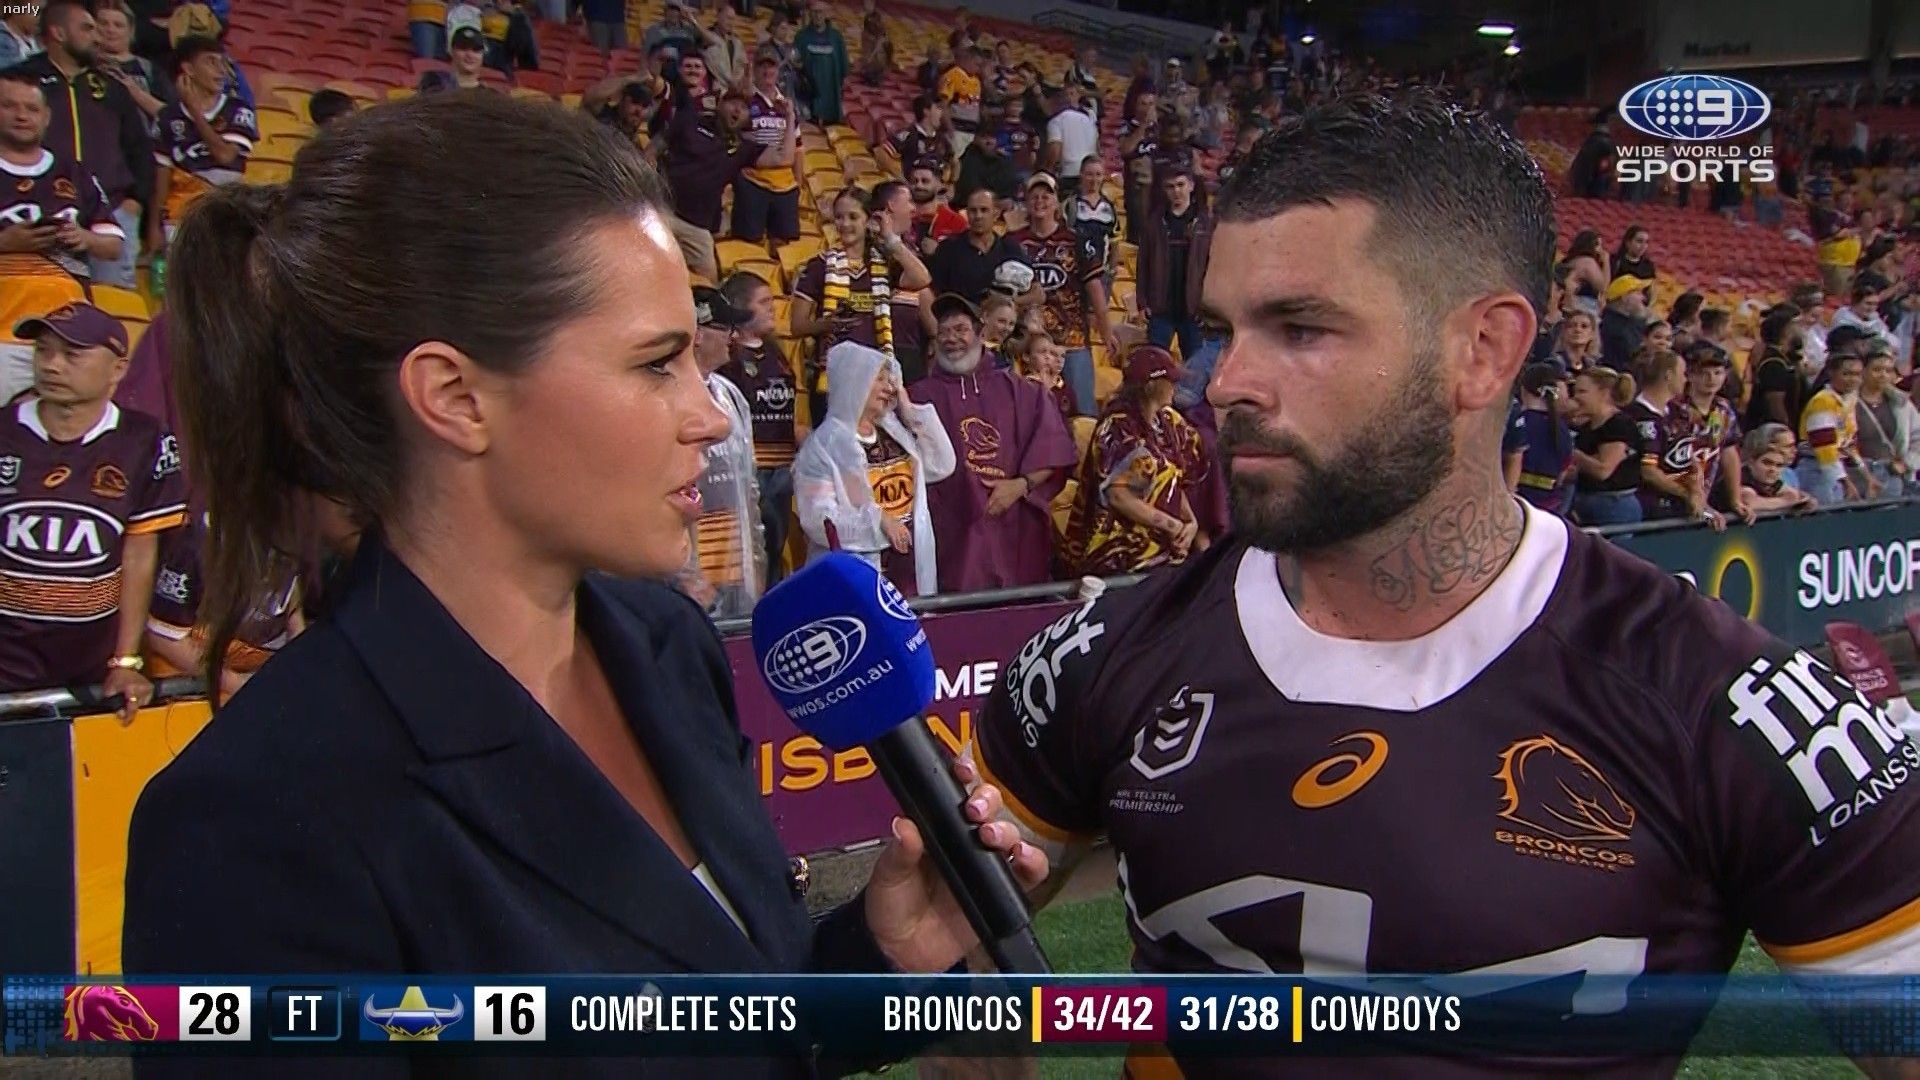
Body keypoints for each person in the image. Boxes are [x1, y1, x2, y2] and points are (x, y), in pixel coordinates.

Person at [972, 98, 1920, 1078]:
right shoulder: (1101, 654)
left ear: (1484, 351)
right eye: (1224, 328)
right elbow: (948, 957)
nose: (1225, 382)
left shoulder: (1723, 702)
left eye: (1300, 327)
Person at [123, 96, 1042, 1019]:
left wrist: (879, 959)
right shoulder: (249, 823)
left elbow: (742, 1014)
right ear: (455, 397)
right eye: (655, 364)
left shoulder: (669, 644)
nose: (710, 415)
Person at [0, 303, 185, 708]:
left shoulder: (145, 441)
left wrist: (125, 660)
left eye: (72, 354)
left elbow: (139, 552)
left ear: (118, 369)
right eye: (43, 351)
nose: (52, 365)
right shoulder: (4, 429)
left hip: (91, 669)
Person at [911, 293, 1074, 593]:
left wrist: (1020, 486)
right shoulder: (917, 398)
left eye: (960, 329)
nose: (951, 339)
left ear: (979, 332)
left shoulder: (1023, 392)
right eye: (944, 332)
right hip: (950, 531)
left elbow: (1054, 450)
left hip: (1012, 524)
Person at [6, 0, 152, 290]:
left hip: (111, 213)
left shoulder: (111, 85)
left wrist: (135, 201)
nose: (97, 37)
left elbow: (139, 146)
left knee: (112, 301)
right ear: (59, 33)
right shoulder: (21, 81)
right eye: (87, 28)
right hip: (48, 212)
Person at [0, 72, 125, 404]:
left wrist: (84, 238)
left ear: (46, 116)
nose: (21, 115)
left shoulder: (74, 172)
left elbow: (113, 245)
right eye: (9, 106)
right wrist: (6, 243)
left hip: (68, 338)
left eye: (31, 108)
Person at [793, 341, 953, 597]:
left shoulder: (894, 432)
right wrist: (878, 521)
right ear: (853, 382)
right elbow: (818, 520)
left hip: (910, 572)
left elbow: (942, 464)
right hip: (858, 577)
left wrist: (909, 410)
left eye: (890, 380)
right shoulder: (822, 446)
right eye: (879, 379)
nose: (889, 387)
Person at [789, 185, 932, 425]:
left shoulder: (883, 263)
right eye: (839, 217)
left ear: (869, 220)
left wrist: (891, 239)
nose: (845, 224)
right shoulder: (819, 266)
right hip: (834, 379)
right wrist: (827, 324)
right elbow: (797, 325)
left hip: (875, 379)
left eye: (853, 217)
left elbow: (922, 278)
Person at [1061, 344, 1205, 575]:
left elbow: (1173, 481)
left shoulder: (1170, 421)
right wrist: (1172, 525)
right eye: (1170, 380)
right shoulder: (1118, 427)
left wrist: (1190, 522)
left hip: (1162, 549)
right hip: (1118, 554)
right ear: (1152, 386)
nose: (1175, 386)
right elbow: (1119, 497)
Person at [678, 285, 763, 620]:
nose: (734, 336)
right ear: (697, 334)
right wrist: (685, 573)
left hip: (736, 559)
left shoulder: (731, 395)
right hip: (693, 569)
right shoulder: (669, 395)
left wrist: (755, 558)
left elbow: (749, 484)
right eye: (726, 327)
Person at [1009, 171, 1115, 417]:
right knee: (1029, 413)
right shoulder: (1013, 242)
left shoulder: (1076, 240)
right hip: (1029, 343)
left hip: (1072, 338)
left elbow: (1095, 288)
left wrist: (1106, 330)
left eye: (1046, 196)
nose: (1040, 201)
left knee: (1083, 411)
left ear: (1056, 202)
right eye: (1034, 196)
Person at [718, 270, 798, 588]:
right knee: (755, 550)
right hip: (752, 468)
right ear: (740, 307)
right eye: (763, 302)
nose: (772, 307)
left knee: (776, 547)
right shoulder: (728, 358)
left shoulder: (776, 353)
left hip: (782, 465)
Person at [663, 90, 794, 283]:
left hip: (697, 227)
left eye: (744, 108)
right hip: (663, 210)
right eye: (733, 103)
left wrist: (790, 117)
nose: (737, 110)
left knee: (709, 284)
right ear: (719, 104)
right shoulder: (692, 122)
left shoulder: (743, 149)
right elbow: (659, 143)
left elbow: (785, 158)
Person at [149, 35, 255, 254]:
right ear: (188, 69)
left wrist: (195, 112)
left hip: (224, 211)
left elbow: (225, 155)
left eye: (222, 62)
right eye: (210, 62)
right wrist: (154, 225)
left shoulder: (238, 109)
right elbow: (162, 175)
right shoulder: (168, 117)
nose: (221, 70)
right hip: (180, 213)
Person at [1136, 168, 1212, 361]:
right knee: (1155, 365)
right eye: (1170, 187)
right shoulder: (1154, 223)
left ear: (1191, 186)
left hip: (1193, 311)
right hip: (1161, 309)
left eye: (1180, 185)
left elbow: (1213, 267)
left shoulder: (1207, 223)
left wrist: (1209, 306)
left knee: (1195, 367)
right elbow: (1143, 264)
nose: (1176, 191)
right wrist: (1142, 302)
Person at [1624, 349, 1704, 525]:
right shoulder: (1640, 417)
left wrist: (1697, 491)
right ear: (1669, 376)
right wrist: (1686, 494)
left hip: (1683, 508)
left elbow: (1689, 457)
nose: (1686, 379)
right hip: (1653, 510)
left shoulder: (1678, 412)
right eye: (1683, 373)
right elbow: (1649, 472)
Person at [1674, 345, 1751, 522]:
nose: (1711, 379)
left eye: (1717, 373)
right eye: (1703, 373)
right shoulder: (1676, 409)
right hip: (1676, 494)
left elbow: (1729, 452)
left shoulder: (1723, 409)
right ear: (1689, 375)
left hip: (1708, 491)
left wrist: (1735, 499)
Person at [731, 55, 800, 245]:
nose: (767, 71)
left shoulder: (787, 105)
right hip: (753, 182)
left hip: (785, 186)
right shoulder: (746, 100)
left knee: (782, 245)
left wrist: (798, 183)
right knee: (747, 244)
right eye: (762, 66)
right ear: (755, 70)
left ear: (778, 71)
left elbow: (798, 148)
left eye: (772, 67)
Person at [926, 185, 1024, 307]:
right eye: (973, 210)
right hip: (959, 315)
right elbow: (932, 293)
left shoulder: (1010, 248)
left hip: (1002, 315)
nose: (978, 216)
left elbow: (1037, 293)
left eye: (984, 210)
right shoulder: (948, 249)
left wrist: (1006, 302)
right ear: (967, 213)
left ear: (996, 213)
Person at [1800, 350, 1871, 504]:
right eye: (1847, 374)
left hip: (1837, 469)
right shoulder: (1822, 402)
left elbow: (1849, 444)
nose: (1853, 379)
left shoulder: (1848, 402)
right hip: (1816, 468)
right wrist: (1845, 482)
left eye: (1857, 374)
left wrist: (1867, 476)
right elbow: (1825, 449)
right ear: (1831, 373)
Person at [1854, 342, 1919, 498]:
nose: (1883, 375)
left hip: (1892, 473)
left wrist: (1907, 463)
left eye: (1888, 370)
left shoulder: (1901, 403)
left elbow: (1918, 436)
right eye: (1877, 370)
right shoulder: (1847, 402)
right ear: (1863, 371)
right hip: (1857, 473)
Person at [1510, 363, 1575, 516]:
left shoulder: (1517, 423)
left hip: (1518, 503)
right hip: (1549, 506)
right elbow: (1562, 474)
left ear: (1523, 389)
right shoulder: (1562, 429)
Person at [792, 1, 847, 125]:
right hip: (808, 97)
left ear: (826, 14)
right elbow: (795, 65)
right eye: (814, 12)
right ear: (810, 14)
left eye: (820, 12)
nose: (818, 16)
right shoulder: (801, 37)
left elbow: (843, 68)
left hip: (831, 98)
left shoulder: (836, 38)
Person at [1740, 426, 1816, 513]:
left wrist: (1804, 499)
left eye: (1779, 465)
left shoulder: (1777, 480)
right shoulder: (1742, 476)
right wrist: (1787, 502)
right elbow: (1749, 501)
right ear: (1751, 462)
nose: (1773, 469)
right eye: (1767, 463)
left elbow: (1793, 495)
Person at [1040, 82, 1096, 190]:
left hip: (1069, 173)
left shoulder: (1056, 121)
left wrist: (1048, 171)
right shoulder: (1089, 120)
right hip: (1090, 171)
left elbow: (1055, 149)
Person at [904, 162, 965, 256]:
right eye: (914, 181)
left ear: (940, 184)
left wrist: (940, 251)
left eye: (925, 181)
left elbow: (965, 258)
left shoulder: (956, 222)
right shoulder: (900, 216)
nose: (919, 185)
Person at [1014, 328, 1074, 423]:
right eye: (1042, 352)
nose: (1048, 357)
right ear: (1026, 357)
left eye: (1051, 353)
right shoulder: (1023, 387)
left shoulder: (1063, 387)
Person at [885, 94, 949, 181]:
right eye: (938, 108)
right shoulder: (908, 134)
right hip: (914, 185)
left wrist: (950, 180)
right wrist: (900, 177)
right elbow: (881, 152)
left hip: (935, 186)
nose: (941, 113)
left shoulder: (942, 138)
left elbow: (953, 161)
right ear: (926, 111)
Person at [938, 44, 983, 158]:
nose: (978, 68)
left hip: (971, 132)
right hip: (957, 130)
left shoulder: (977, 81)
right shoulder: (953, 75)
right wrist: (950, 129)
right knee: (953, 161)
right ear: (968, 59)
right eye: (976, 64)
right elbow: (943, 104)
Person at [1599, 275, 1650, 371]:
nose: (1643, 298)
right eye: (1638, 293)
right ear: (1625, 297)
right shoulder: (1615, 328)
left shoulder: (1630, 322)